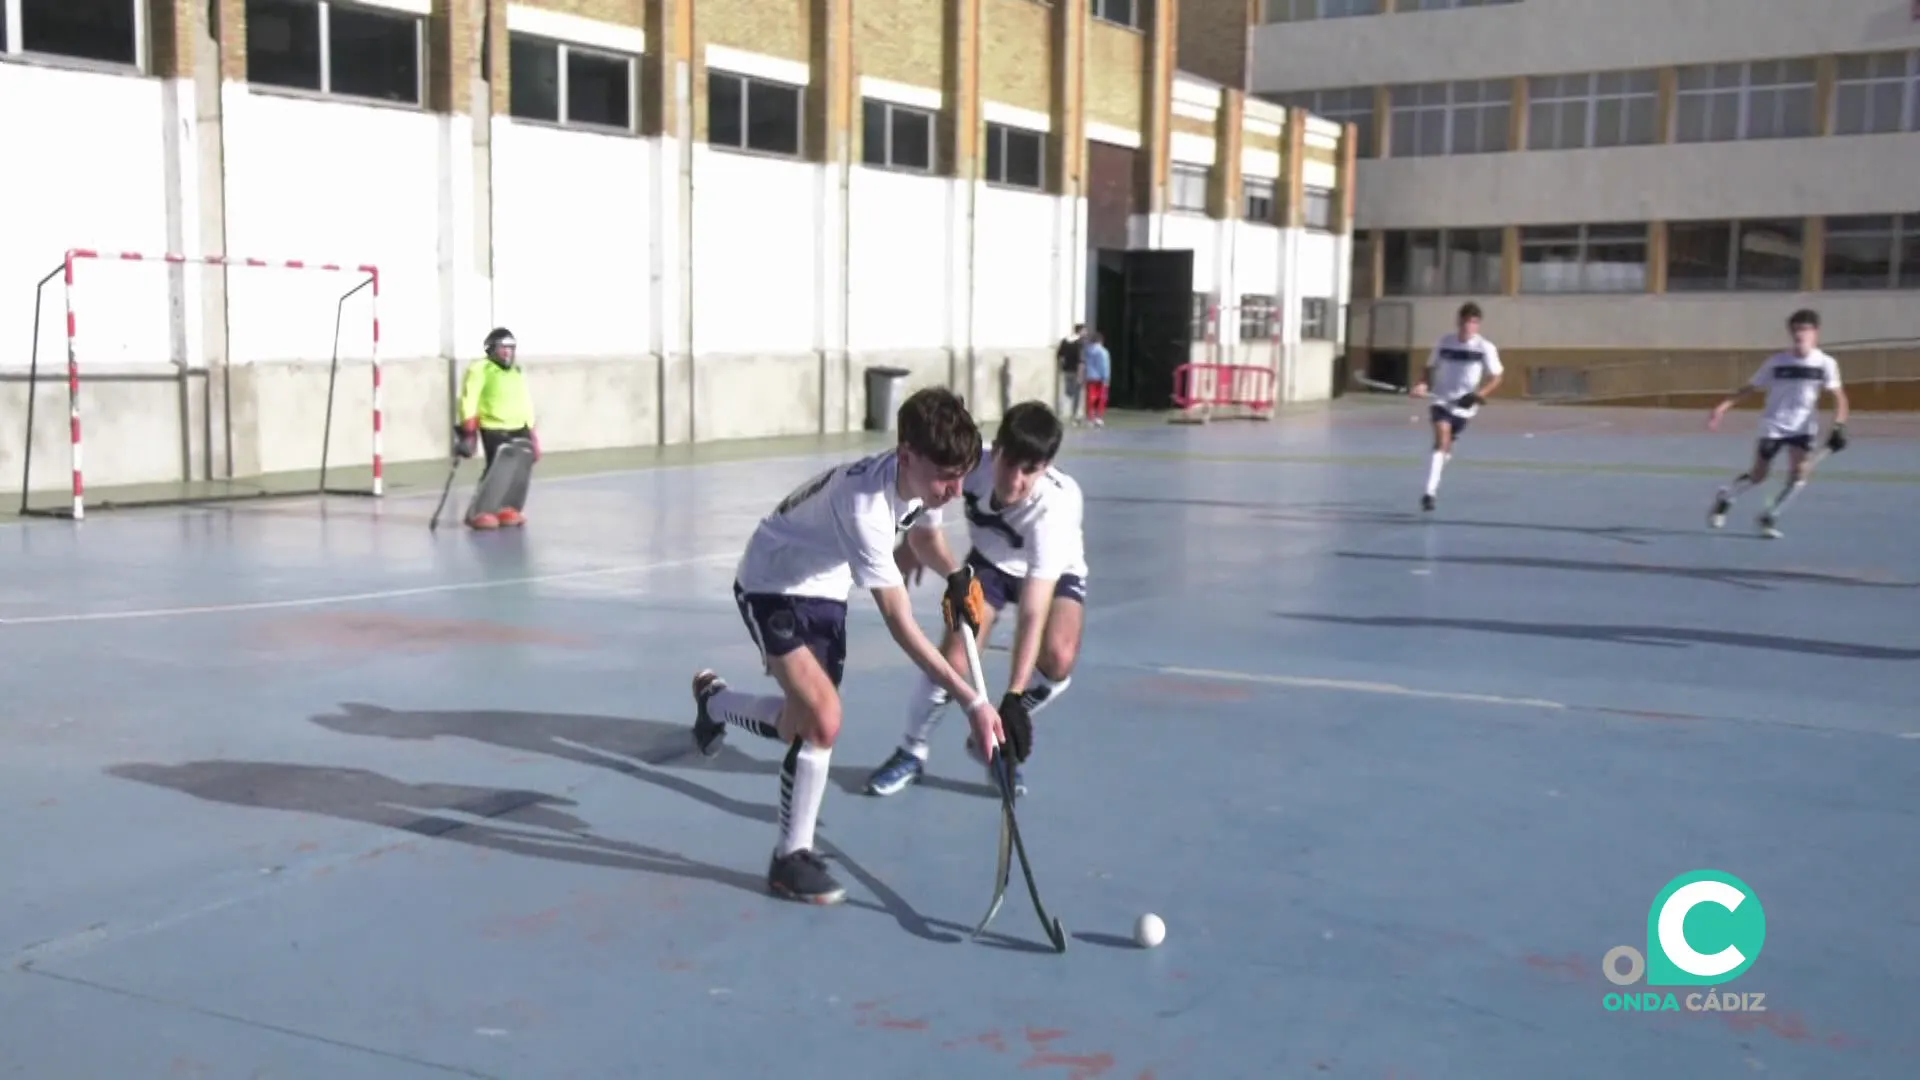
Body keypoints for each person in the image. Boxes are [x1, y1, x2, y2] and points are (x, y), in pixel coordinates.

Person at [689, 387, 1016, 906]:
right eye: (946, 478)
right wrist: (972, 700)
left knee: (802, 725)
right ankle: (789, 859)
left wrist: (955, 574)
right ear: (907, 455)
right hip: (772, 581)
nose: (956, 491)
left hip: (826, 590)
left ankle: (715, 703)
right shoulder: (864, 506)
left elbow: (924, 538)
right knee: (824, 719)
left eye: (962, 475)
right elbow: (900, 623)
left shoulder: (920, 482)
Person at [865, 400, 1085, 800]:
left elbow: (1033, 611)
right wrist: (914, 547)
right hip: (989, 563)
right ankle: (912, 750)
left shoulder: (1057, 507)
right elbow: (925, 505)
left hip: (1054, 572)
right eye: (1009, 463)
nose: (1015, 480)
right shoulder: (970, 467)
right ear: (995, 449)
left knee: (1059, 656)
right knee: (952, 662)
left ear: (1046, 467)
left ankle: (997, 728)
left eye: (1030, 470)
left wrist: (1014, 696)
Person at [1706, 308, 1849, 539]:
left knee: (1799, 475)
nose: (1800, 335)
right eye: (1795, 330)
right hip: (1774, 425)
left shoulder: (1826, 363)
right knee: (1759, 475)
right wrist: (1723, 407)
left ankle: (1770, 516)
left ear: (1816, 333)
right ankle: (1726, 497)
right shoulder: (1777, 362)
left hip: (1804, 428)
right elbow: (1750, 388)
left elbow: (1839, 396)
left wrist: (1839, 425)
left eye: (1805, 330)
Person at [1411, 301, 1502, 512]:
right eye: (1466, 322)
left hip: (1464, 407)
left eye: (1474, 322)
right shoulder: (1444, 342)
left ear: (1478, 325)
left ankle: (1440, 464)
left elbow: (1497, 377)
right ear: (1458, 322)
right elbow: (1429, 367)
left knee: (1446, 447)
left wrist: (1478, 395)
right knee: (1441, 439)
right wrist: (1422, 384)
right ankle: (1429, 493)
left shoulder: (1485, 347)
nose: (1469, 326)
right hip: (1441, 400)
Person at [455, 327, 541, 529]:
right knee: (497, 469)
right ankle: (481, 510)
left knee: (519, 470)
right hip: (495, 426)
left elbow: (525, 400)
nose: (507, 352)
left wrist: (532, 431)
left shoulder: (516, 371)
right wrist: (469, 425)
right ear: (491, 348)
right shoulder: (480, 369)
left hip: (520, 426)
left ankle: (507, 507)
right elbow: (470, 396)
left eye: (511, 348)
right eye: (503, 347)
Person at [1056, 325, 1086, 424]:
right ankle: (1074, 415)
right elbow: (1081, 360)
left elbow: (1060, 356)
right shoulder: (1080, 343)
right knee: (1077, 394)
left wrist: (1062, 367)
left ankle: (1063, 413)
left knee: (1067, 392)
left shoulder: (1065, 341)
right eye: (1084, 331)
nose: (1086, 333)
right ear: (1080, 331)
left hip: (1066, 370)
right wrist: (1080, 374)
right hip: (1076, 371)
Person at [1081, 331, 1111, 428]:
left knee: (1091, 398)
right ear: (1101, 341)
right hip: (1100, 378)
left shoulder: (1088, 351)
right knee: (1102, 398)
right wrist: (1106, 378)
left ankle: (1090, 417)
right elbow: (1104, 365)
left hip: (1090, 377)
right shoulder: (1103, 352)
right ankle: (1099, 417)